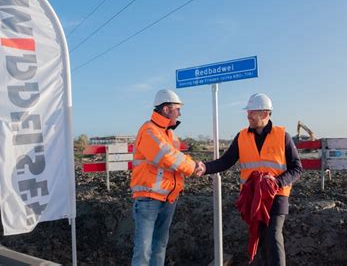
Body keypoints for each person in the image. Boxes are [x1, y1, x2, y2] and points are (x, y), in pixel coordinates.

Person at [195, 93, 303, 266]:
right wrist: (205, 167)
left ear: (265, 113)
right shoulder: (242, 136)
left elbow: (297, 168)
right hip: (252, 197)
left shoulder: (283, 136)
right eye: (248, 112)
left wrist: (277, 182)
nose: (248, 115)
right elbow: (226, 161)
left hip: (277, 196)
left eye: (252, 112)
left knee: (273, 236)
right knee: (258, 238)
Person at [130, 89, 200, 266]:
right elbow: (167, 157)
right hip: (149, 199)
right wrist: (193, 167)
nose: (180, 113)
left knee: (159, 247)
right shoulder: (149, 131)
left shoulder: (169, 134)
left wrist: (192, 164)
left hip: (168, 199)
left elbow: (178, 158)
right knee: (143, 251)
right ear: (167, 109)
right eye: (178, 109)